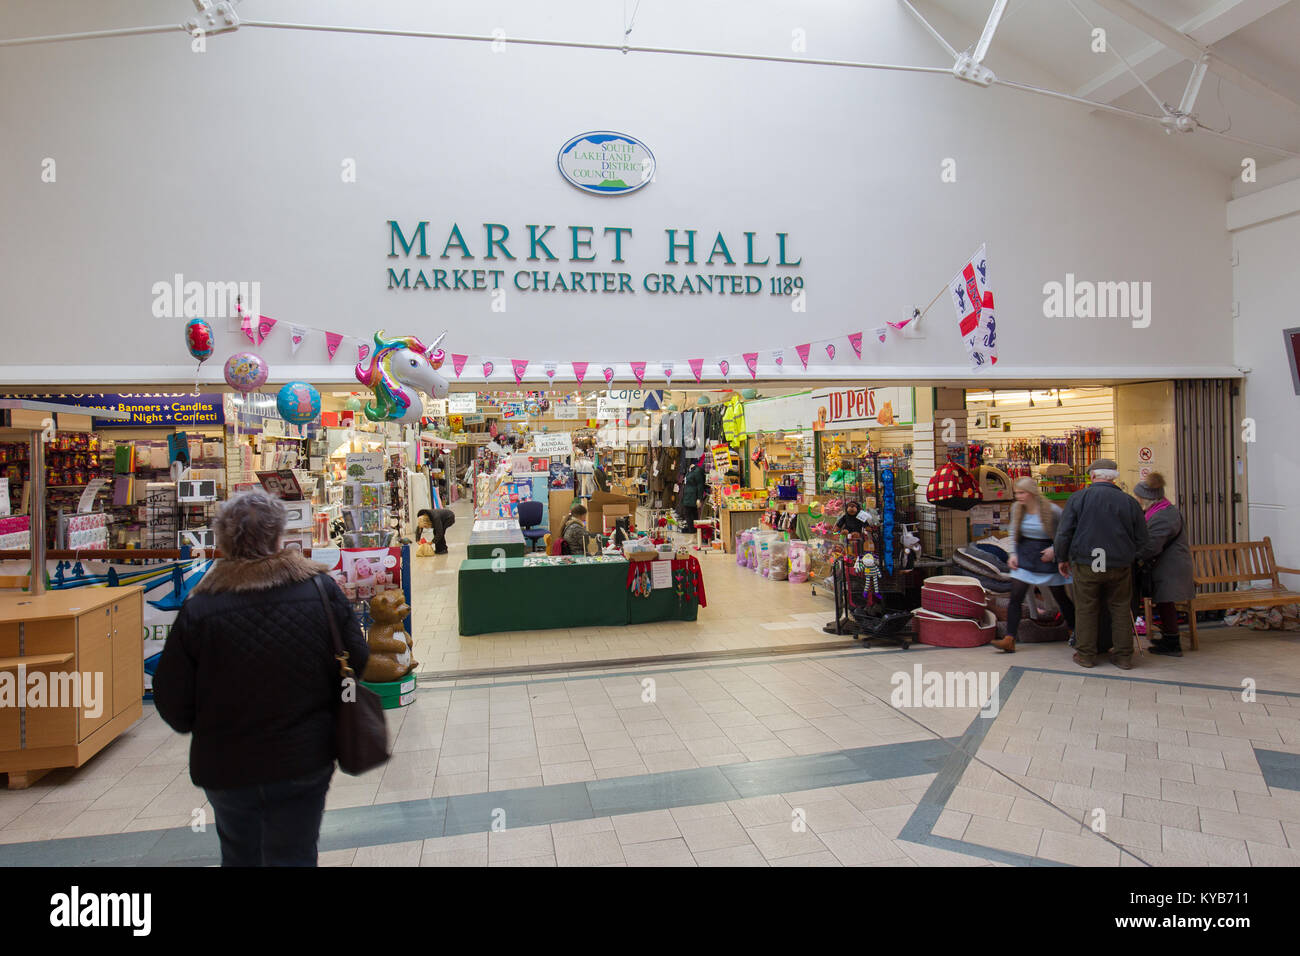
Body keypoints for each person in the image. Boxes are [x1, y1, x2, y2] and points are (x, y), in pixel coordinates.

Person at [153, 490, 369, 866]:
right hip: (303, 758)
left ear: (222, 540)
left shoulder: (200, 608)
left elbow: (172, 698)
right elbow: (358, 659)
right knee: (296, 852)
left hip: (226, 764)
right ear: (278, 536)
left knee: (240, 855)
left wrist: (205, 724)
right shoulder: (319, 591)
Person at [1053, 459, 1150, 670]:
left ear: (1093, 476)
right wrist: (1132, 557)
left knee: (1086, 608)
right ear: (1113, 477)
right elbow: (1143, 539)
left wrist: (1061, 558)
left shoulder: (1079, 498)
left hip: (1087, 563)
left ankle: (1086, 655)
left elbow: (1064, 533)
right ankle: (1124, 656)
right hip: (1119, 564)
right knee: (1120, 608)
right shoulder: (1129, 502)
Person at [991, 477, 1076, 653]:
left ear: (1031, 493)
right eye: (1016, 493)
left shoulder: (1052, 510)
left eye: (1022, 493)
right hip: (1025, 555)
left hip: (1047, 556)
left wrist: (1054, 550)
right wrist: (1013, 554)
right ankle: (1010, 638)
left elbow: (1064, 533)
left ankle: (1075, 632)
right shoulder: (1017, 509)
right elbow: (1013, 530)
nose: (1018, 496)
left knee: (1061, 597)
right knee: (1016, 596)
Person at [1133, 472, 1194, 657]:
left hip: (1170, 568)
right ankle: (1169, 638)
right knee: (1163, 602)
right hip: (1168, 566)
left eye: (1139, 497)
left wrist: (1133, 557)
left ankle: (1172, 643)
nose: (1139, 501)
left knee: (1165, 602)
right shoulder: (1162, 510)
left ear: (1147, 498)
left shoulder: (1163, 516)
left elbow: (1152, 545)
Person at [678, 461, 706, 532]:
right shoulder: (689, 471)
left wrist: (699, 498)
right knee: (690, 513)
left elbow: (700, 485)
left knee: (690, 513)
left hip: (692, 496)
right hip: (687, 496)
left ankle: (693, 530)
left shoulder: (697, 471)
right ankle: (693, 530)